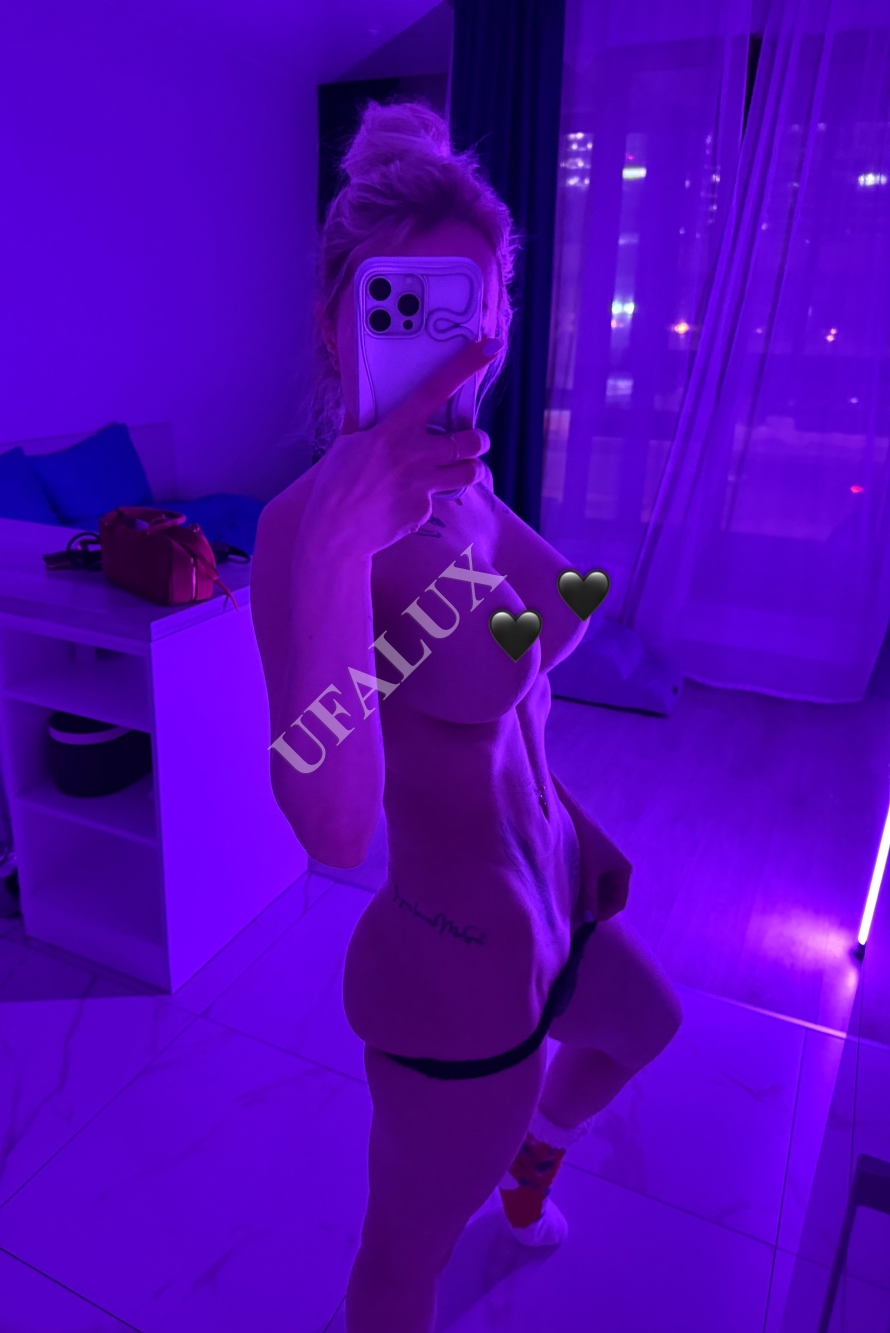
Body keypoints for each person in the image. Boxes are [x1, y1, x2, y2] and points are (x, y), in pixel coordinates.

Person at [250, 101, 682, 1333]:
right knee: (400, 1267)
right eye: (411, 310)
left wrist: (576, 827)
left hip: (559, 901)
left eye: (476, 313)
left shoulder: (471, 488)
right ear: (337, 326)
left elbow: (518, 708)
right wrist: (337, 551)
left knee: (647, 1024)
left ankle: (533, 1164)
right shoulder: (302, 532)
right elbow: (333, 823)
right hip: (454, 984)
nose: (456, 350)